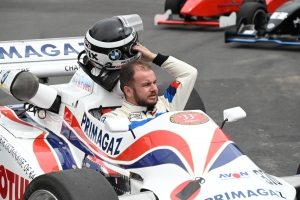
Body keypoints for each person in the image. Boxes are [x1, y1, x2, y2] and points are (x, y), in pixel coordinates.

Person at [101, 43, 198, 126]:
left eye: (154, 82)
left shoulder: (167, 104)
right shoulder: (114, 119)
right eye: (146, 85)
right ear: (128, 91)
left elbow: (189, 74)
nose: (154, 88)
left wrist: (154, 57)